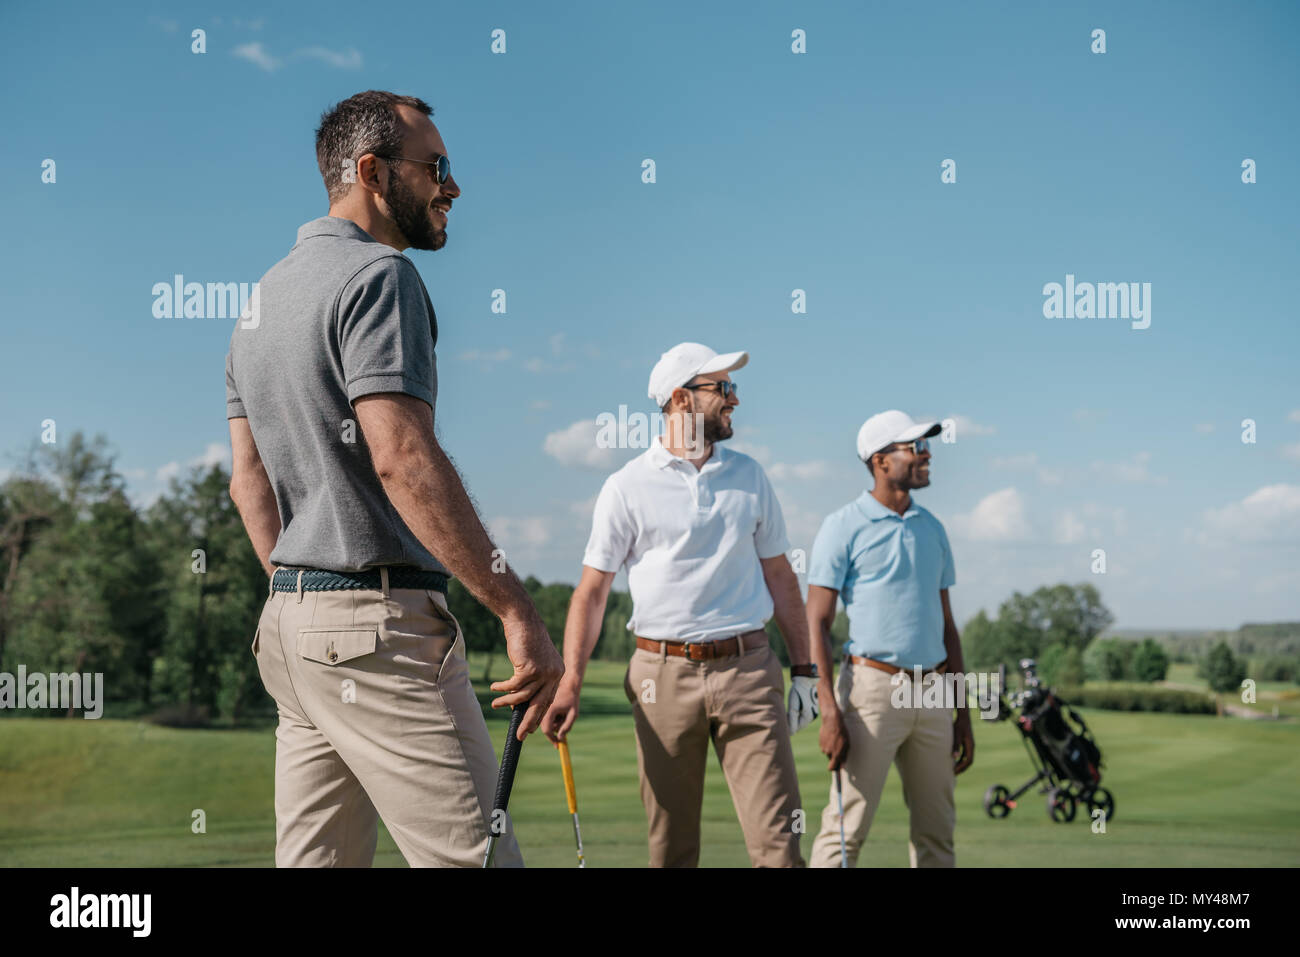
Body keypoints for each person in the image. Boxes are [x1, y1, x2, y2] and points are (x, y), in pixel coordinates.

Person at [225, 89, 563, 868]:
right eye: (436, 166)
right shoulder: (381, 277)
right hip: (378, 636)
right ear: (372, 172)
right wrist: (516, 610)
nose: (452, 186)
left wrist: (302, 597)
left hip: (289, 631)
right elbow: (402, 458)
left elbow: (249, 485)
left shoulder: (259, 302)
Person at [541, 342, 818, 867]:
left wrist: (806, 671)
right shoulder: (625, 486)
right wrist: (571, 680)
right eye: (723, 389)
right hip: (659, 675)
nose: (735, 399)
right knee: (671, 850)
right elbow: (592, 591)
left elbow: (780, 577)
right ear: (680, 399)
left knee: (780, 847)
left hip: (750, 670)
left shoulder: (751, 475)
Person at [806, 410, 973, 867]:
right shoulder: (842, 526)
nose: (927, 454)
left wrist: (963, 713)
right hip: (871, 692)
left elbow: (948, 626)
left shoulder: (932, 529)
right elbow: (816, 622)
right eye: (915, 447)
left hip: (935, 693)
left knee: (937, 836)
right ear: (881, 461)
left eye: (925, 446)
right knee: (845, 831)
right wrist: (829, 712)